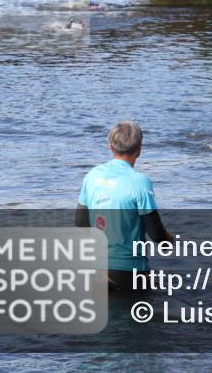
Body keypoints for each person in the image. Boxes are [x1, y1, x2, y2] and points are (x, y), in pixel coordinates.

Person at [76, 121, 174, 293]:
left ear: (110, 147)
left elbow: (81, 223)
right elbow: (156, 235)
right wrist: (170, 241)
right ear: (139, 149)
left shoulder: (91, 176)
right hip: (129, 271)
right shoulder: (140, 182)